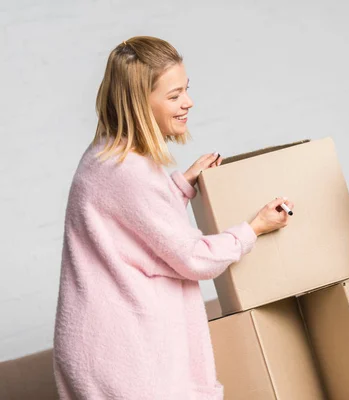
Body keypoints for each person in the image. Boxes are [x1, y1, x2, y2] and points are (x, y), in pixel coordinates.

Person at [53, 36, 293, 400]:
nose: (188, 102)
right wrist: (254, 228)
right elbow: (193, 257)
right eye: (174, 95)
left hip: (103, 343)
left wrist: (180, 185)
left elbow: (133, 227)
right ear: (139, 102)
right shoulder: (128, 172)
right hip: (126, 355)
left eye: (186, 90)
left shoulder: (106, 153)